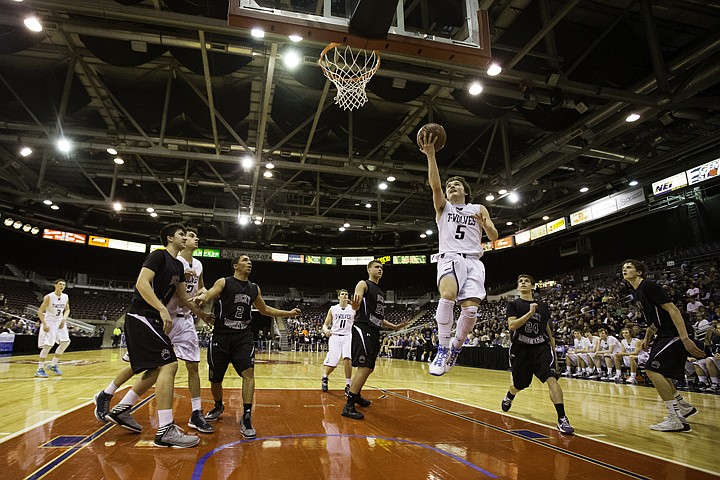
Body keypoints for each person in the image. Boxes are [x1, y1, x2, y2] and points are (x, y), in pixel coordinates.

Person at [95, 223, 214, 448]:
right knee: (168, 364)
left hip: (157, 319)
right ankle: (165, 429)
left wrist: (201, 314)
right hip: (142, 316)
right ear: (171, 238)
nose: (186, 237)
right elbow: (141, 283)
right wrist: (161, 308)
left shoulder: (179, 267)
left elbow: (183, 297)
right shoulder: (158, 256)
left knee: (155, 369)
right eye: (182, 234)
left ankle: (121, 409)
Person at [193, 254, 301, 439]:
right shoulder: (224, 282)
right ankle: (219, 405)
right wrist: (202, 299)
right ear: (235, 265)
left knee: (248, 373)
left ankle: (247, 415)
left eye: (250, 261)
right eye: (245, 260)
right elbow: (210, 293)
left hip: (243, 337)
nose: (249, 263)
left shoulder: (254, 288)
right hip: (221, 336)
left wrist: (288, 313)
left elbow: (265, 310)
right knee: (215, 378)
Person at [418, 132, 498, 376]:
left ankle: (456, 347)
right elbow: (434, 185)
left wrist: (484, 224)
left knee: (471, 310)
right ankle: (442, 348)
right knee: (447, 296)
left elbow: (494, 236)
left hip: (474, 261)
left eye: (456, 185)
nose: (451, 186)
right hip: (450, 257)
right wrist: (431, 155)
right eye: (449, 185)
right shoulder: (444, 207)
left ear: (465, 190)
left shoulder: (478, 208)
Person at [622, 259, 705, 432]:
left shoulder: (649, 286)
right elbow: (653, 321)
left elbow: (673, 310)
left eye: (629, 267)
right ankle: (683, 406)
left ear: (639, 272)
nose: (625, 270)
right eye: (623, 268)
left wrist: (684, 338)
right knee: (661, 372)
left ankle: (675, 418)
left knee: (652, 370)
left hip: (674, 333)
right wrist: (647, 337)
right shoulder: (637, 293)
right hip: (663, 333)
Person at [501, 274, 574, 435]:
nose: (523, 283)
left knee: (551, 378)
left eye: (526, 281)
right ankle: (510, 394)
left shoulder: (542, 305)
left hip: (540, 347)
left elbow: (546, 326)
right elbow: (512, 325)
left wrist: (552, 342)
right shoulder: (513, 304)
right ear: (518, 287)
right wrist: (529, 313)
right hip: (521, 349)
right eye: (520, 281)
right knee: (520, 384)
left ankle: (562, 418)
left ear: (532, 286)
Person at [342, 260, 407, 420]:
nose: (380, 269)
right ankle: (349, 405)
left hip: (374, 329)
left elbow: (379, 317)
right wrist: (355, 306)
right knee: (364, 366)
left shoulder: (379, 291)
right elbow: (356, 305)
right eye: (377, 267)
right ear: (369, 269)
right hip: (363, 327)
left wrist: (395, 327)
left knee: (369, 367)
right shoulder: (363, 284)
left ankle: (356, 395)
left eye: (382, 268)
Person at [321, 289, 355, 395]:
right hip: (335, 337)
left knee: (347, 359)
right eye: (342, 294)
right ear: (338, 297)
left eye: (346, 294)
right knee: (333, 363)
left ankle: (348, 384)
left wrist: (352, 303)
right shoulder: (333, 309)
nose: (344, 295)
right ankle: (325, 377)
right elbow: (325, 324)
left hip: (348, 336)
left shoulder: (353, 309)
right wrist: (326, 330)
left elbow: (361, 308)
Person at [35, 279, 71, 378]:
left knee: (66, 342)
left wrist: (64, 319)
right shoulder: (49, 297)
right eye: (60, 284)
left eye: (64, 285)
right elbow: (40, 311)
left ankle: (53, 364)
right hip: (49, 321)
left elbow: (67, 309)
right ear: (55, 285)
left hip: (59, 321)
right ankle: (39, 369)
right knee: (48, 345)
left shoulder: (65, 296)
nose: (62, 286)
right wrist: (45, 324)